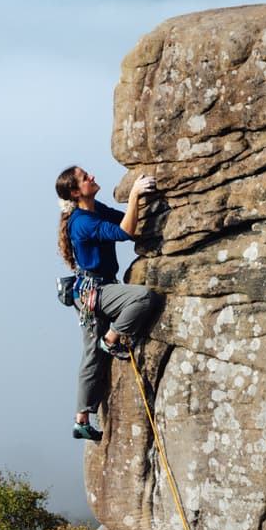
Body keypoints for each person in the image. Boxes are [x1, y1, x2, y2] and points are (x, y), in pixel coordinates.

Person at [55, 165, 158, 442]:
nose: (92, 177)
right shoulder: (82, 222)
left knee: (92, 356)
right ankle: (112, 339)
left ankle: (81, 420)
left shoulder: (93, 209)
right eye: (85, 178)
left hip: (93, 290)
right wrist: (135, 194)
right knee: (143, 297)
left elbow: (126, 224)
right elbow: (125, 232)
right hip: (95, 292)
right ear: (76, 192)